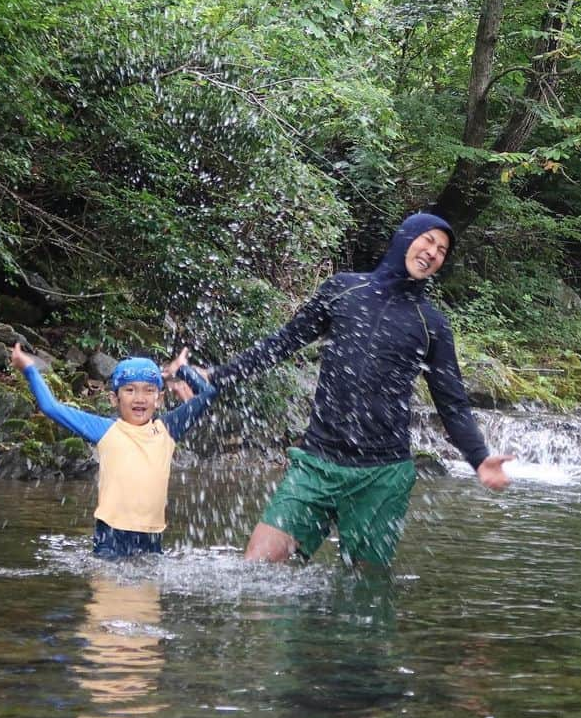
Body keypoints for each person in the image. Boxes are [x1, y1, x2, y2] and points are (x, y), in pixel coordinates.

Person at [203, 212, 513, 567]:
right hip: (317, 463)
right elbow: (282, 343)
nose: (433, 252)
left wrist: (478, 457)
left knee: (365, 594)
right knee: (257, 571)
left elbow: (452, 403)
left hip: (382, 476)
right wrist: (216, 377)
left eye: (442, 250)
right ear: (404, 237)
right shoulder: (342, 290)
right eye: (427, 240)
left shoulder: (433, 324)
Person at [11, 343, 217, 558]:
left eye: (149, 390)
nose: (140, 398)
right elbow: (51, 407)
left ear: (159, 399)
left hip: (152, 536)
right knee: (108, 589)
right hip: (110, 534)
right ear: (113, 398)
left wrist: (182, 369)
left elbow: (209, 393)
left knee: (148, 590)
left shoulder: (168, 429)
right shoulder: (105, 429)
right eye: (130, 390)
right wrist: (29, 368)